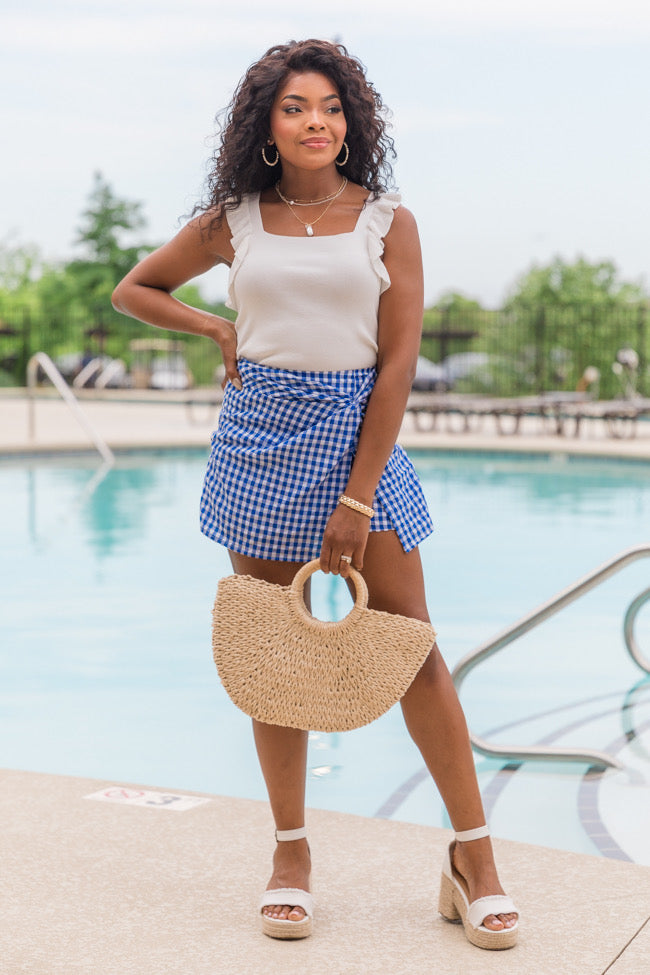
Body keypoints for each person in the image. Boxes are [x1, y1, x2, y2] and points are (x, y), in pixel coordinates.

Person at [112, 38, 519, 950]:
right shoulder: (231, 219)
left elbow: (399, 362)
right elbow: (134, 289)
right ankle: (290, 855)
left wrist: (360, 494)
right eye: (295, 107)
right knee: (273, 653)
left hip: (354, 439)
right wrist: (213, 323)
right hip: (258, 441)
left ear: (351, 121)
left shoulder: (386, 221)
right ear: (267, 123)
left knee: (414, 648)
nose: (314, 122)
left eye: (330, 107)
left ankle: (475, 860)